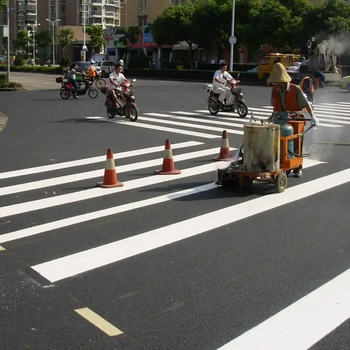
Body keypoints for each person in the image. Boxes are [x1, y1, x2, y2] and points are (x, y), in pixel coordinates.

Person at [267, 62, 319, 177]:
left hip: (296, 119)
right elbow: (275, 106)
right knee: (279, 142)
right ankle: (283, 162)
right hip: (280, 119)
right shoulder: (274, 90)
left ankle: (297, 167)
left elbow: (306, 104)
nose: (277, 83)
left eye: (278, 81)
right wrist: (271, 117)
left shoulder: (295, 89)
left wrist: (313, 116)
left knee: (297, 143)